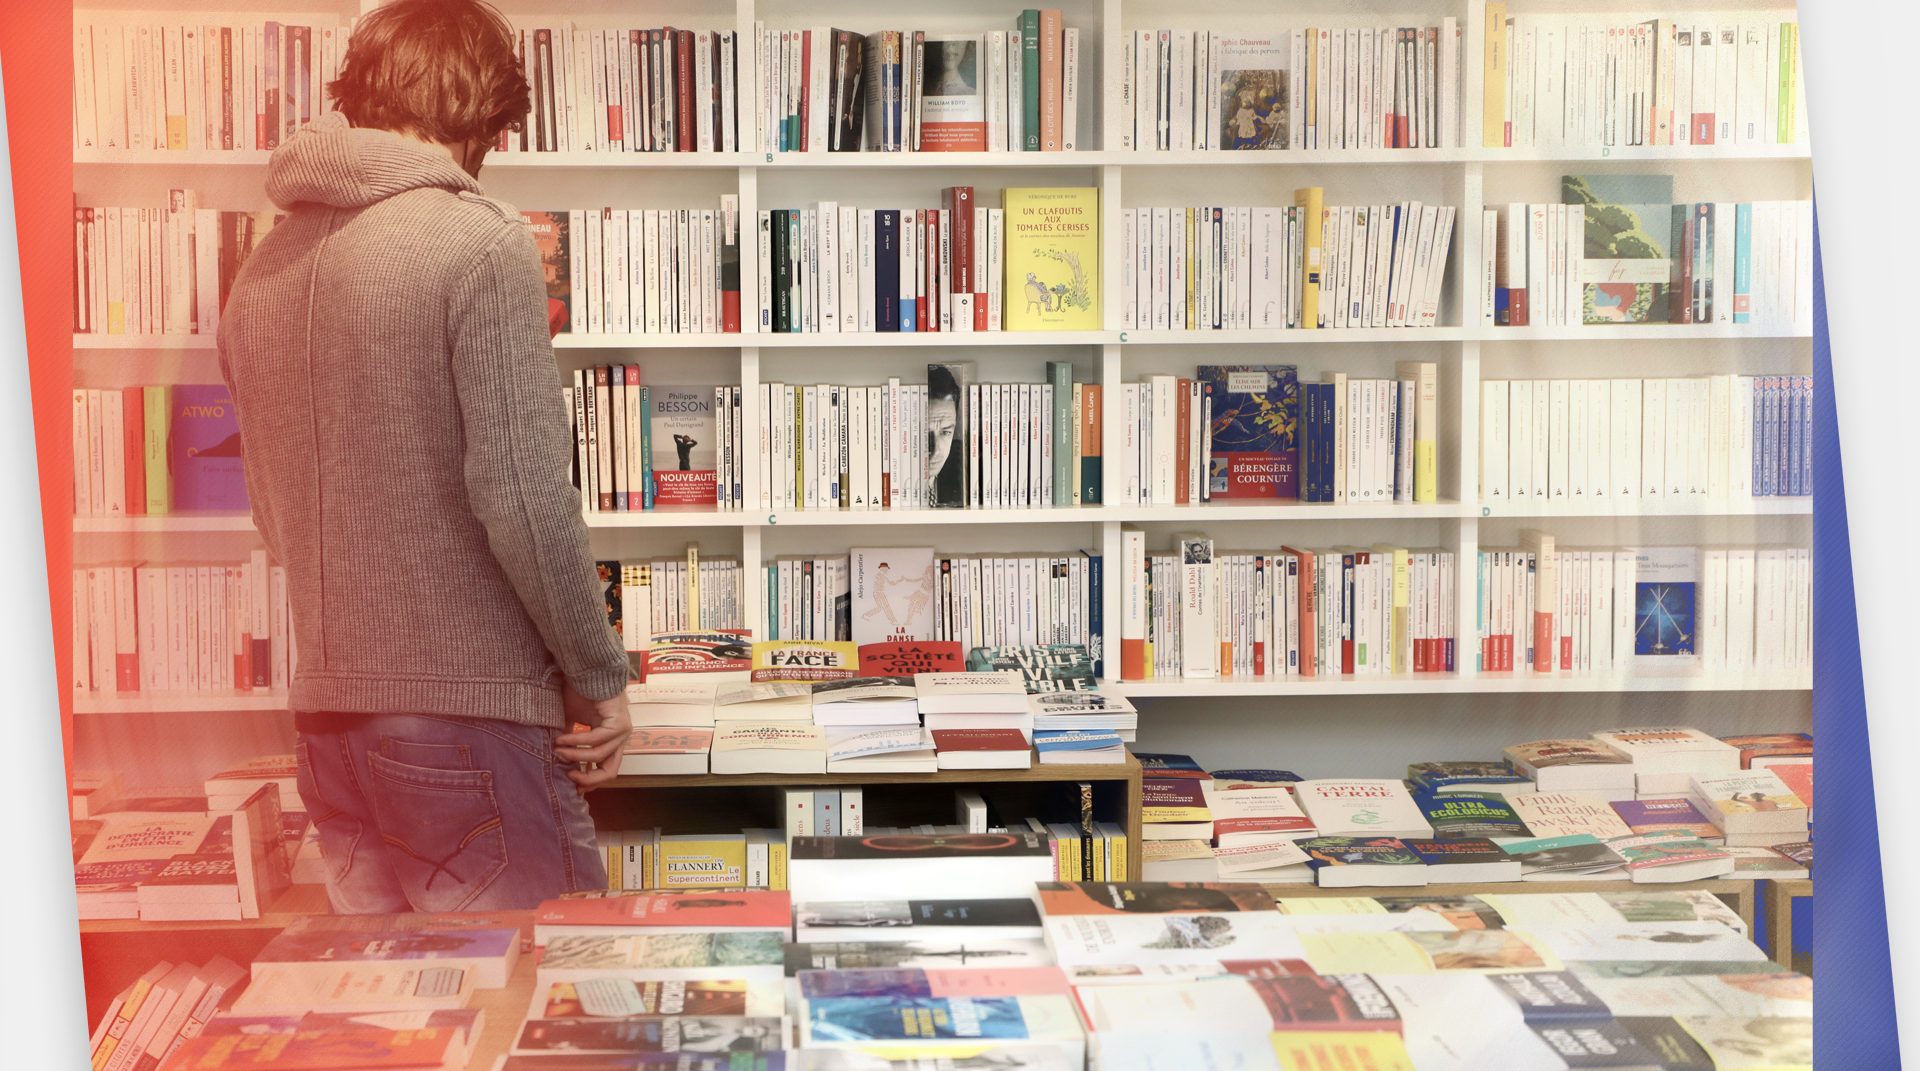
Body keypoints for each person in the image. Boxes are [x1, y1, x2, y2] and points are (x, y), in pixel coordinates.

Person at [217, 0, 632, 913]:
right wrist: (598, 676)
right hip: (469, 719)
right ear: (481, 113)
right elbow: (524, 496)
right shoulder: (480, 241)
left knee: (400, 997)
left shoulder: (263, 267)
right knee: (543, 990)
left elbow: (272, 513)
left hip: (329, 728)